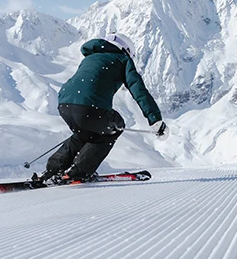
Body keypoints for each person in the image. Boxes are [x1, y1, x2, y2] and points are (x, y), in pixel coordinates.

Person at [34, 32, 166, 185]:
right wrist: (155, 119)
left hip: (64, 104)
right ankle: (78, 172)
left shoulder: (90, 58)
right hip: (89, 107)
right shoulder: (123, 59)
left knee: (83, 134)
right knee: (115, 126)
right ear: (126, 50)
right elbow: (138, 89)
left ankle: (52, 170)